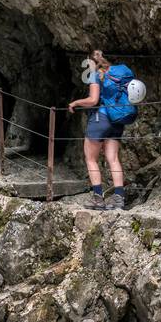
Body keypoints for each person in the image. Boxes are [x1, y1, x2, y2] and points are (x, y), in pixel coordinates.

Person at [68, 50, 133, 210]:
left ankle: (98, 198)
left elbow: (93, 100)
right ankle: (119, 199)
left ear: (91, 62)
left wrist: (75, 103)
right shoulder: (119, 73)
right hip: (117, 120)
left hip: (100, 119)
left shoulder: (96, 74)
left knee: (90, 159)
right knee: (113, 158)